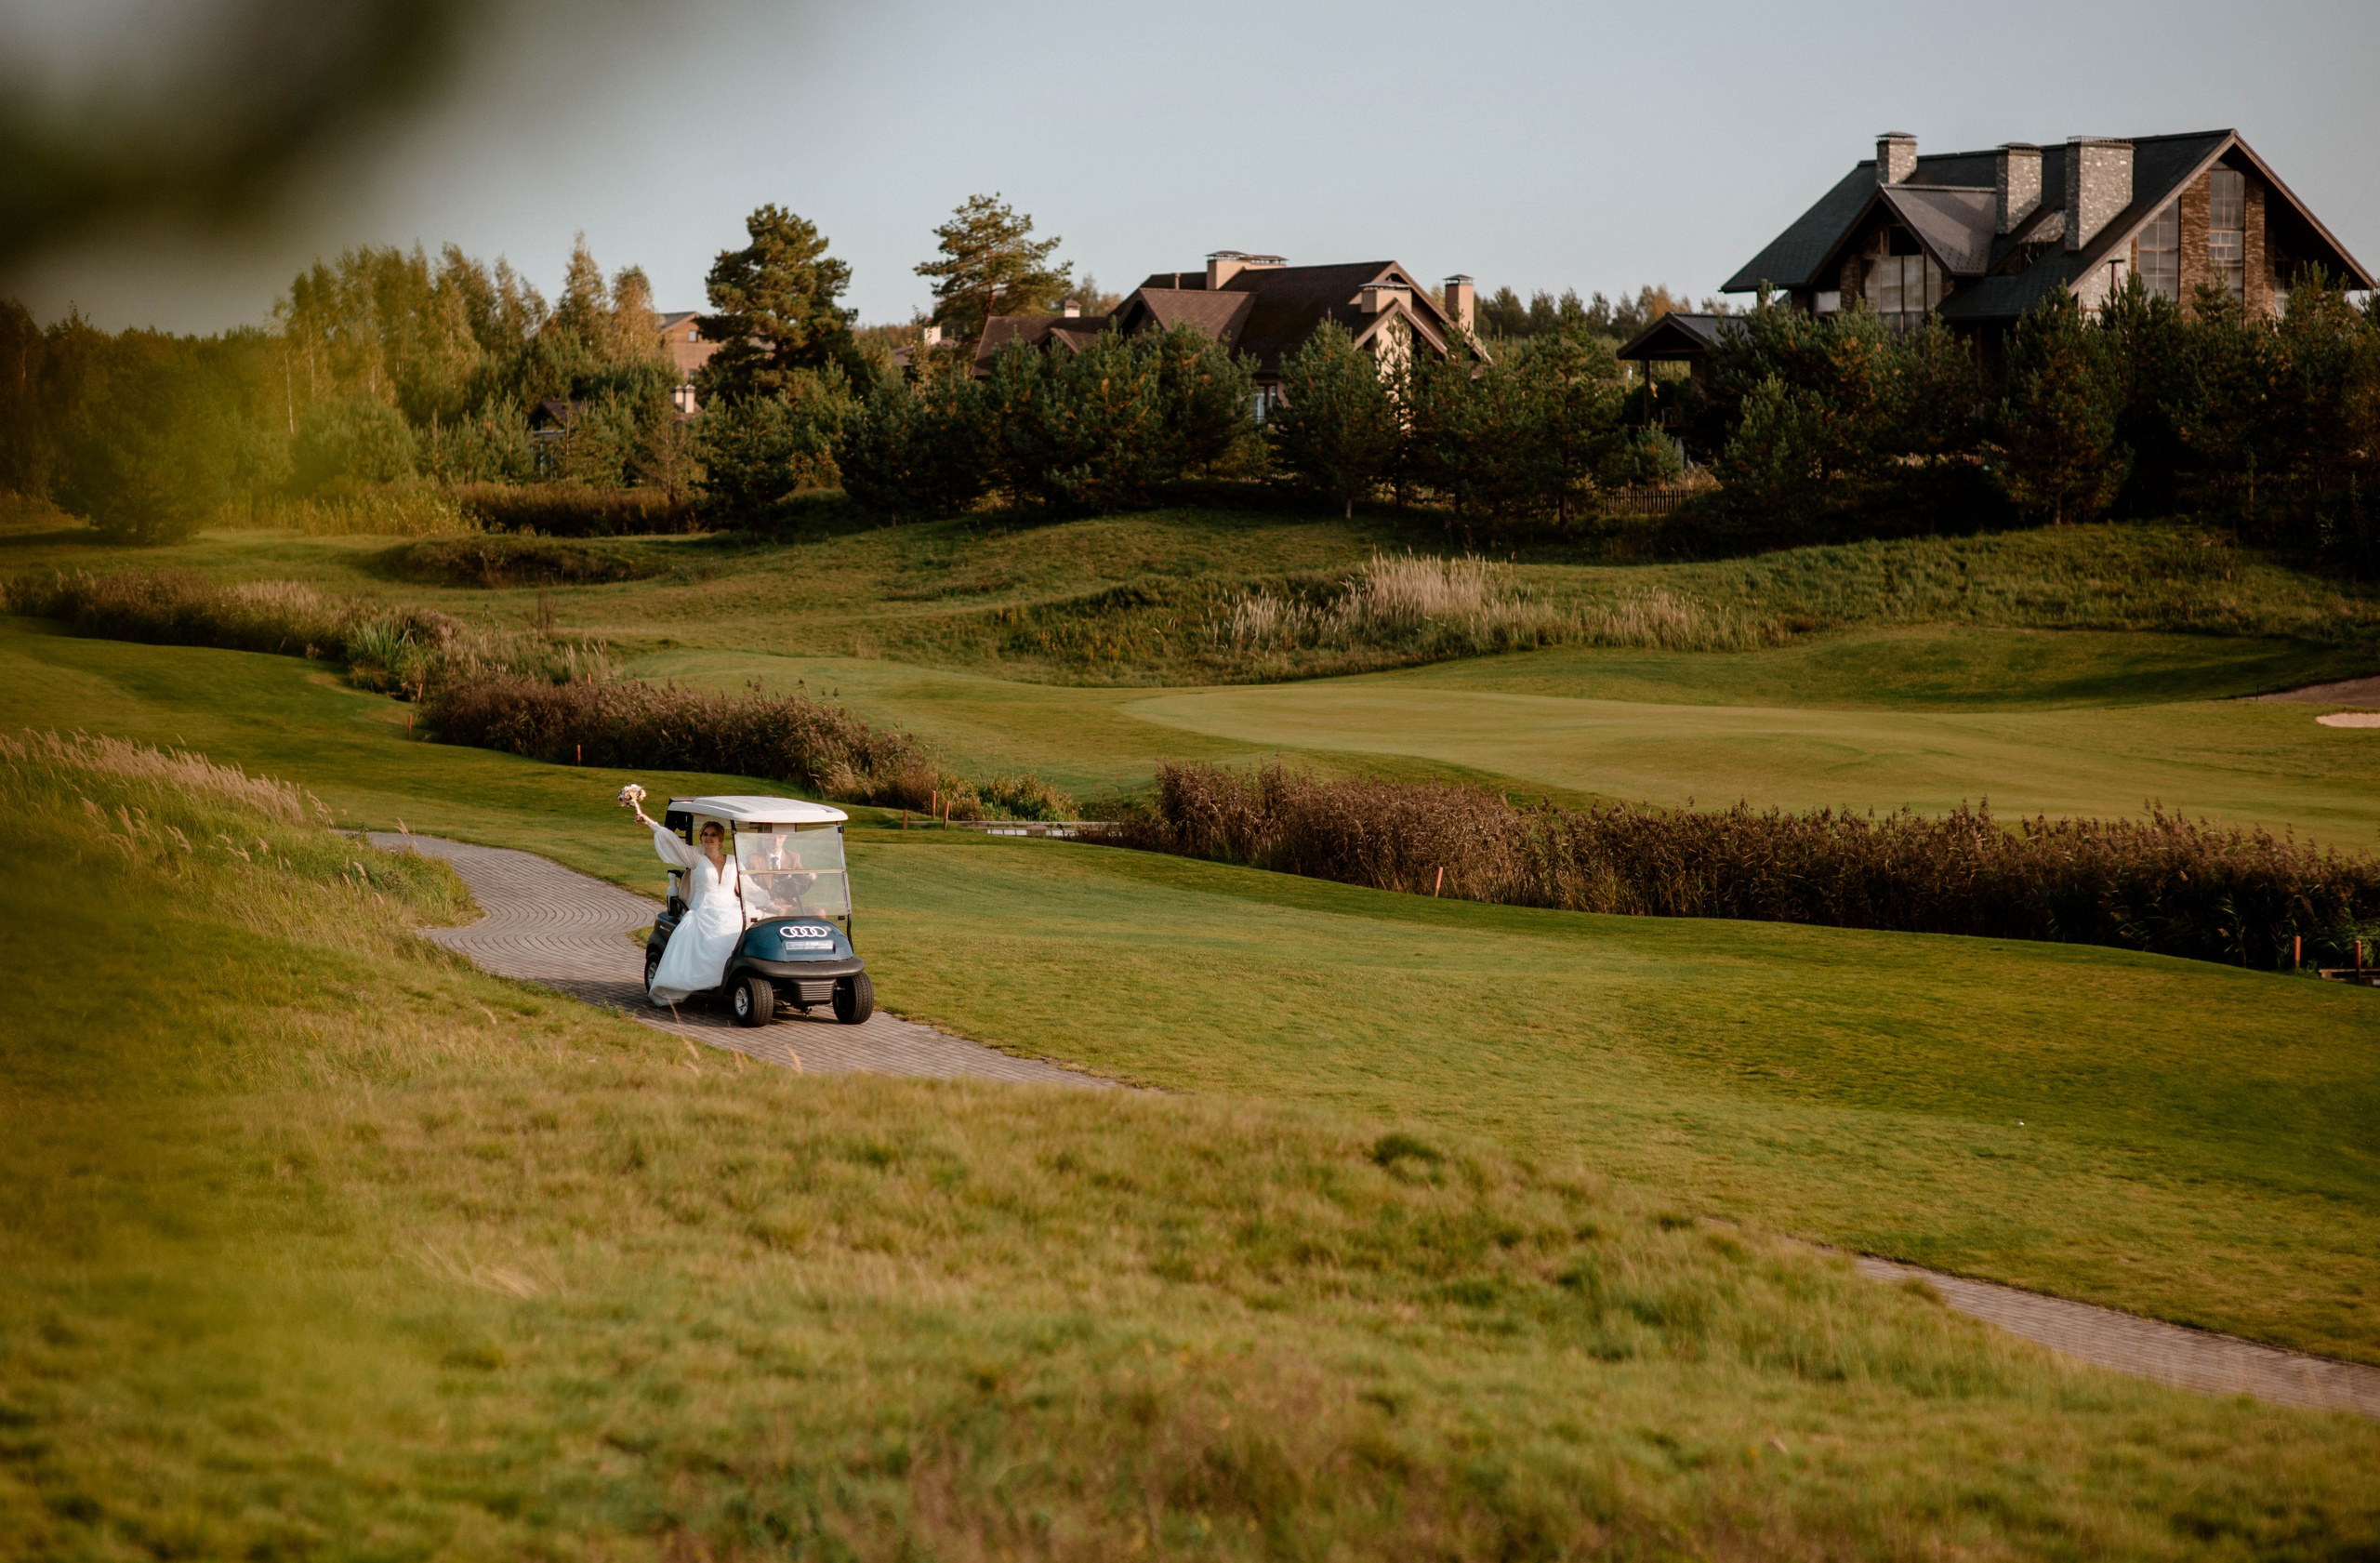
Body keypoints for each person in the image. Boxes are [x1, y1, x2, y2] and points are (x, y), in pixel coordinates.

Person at [628, 798, 745, 1006]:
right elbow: (672, 842)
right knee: (712, 927)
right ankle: (706, 981)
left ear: (721, 840)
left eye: (713, 835)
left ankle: (734, 978)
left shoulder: (734, 861)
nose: (708, 838)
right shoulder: (695, 858)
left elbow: (747, 885)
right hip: (705, 907)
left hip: (731, 906)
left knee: (743, 926)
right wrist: (650, 823)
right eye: (705, 834)